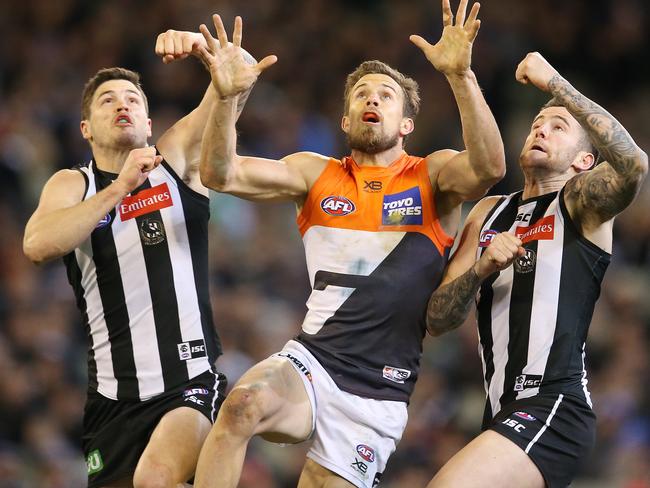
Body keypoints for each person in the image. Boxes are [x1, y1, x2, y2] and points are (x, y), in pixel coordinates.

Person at [191, 2, 505, 487]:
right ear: (345, 119)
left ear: (406, 124)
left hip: (378, 389)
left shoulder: (433, 174)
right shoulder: (314, 173)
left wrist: (461, 76)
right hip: (314, 358)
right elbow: (220, 172)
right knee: (241, 406)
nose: (371, 99)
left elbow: (489, 168)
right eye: (361, 94)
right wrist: (225, 96)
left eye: (385, 94)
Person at [22, 22, 257, 488]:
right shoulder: (73, 185)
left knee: (155, 479)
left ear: (149, 124)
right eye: (107, 100)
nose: (122, 104)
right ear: (86, 128)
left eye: (132, 98)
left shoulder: (174, 160)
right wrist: (120, 188)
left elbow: (236, 77)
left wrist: (202, 50)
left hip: (188, 380)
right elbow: (37, 245)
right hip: (112, 398)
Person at [424, 52, 648, 488]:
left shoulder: (581, 203)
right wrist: (480, 269)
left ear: (584, 162)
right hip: (500, 413)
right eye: (536, 124)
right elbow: (437, 319)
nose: (541, 128)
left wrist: (555, 84)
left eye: (558, 127)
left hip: (553, 405)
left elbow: (634, 165)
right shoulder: (489, 212)